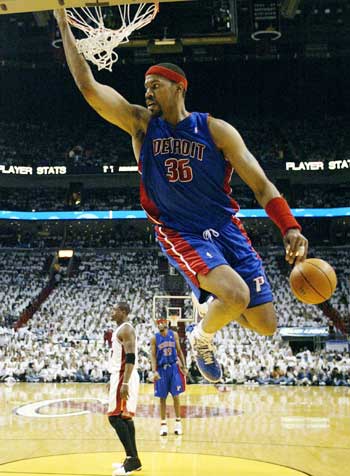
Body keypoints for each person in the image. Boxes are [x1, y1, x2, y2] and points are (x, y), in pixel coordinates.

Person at [54, 9, 309, 384]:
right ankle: (201, 338)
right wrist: (63, 25)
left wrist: (289, 227)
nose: (148, 92)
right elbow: (90, 89)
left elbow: (262, 184)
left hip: (225, 227)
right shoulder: (142, 125)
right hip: (179, 231)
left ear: (179, 87)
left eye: (155, 85)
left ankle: (207, 303)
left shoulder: (216, 130)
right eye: (146, 87)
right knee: (235, 295)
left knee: (266, 324)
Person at [107, 302, 141, 476]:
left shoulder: (126, 329)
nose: (112, 312)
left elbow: (130, 357)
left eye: (115, 310)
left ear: (123, 312)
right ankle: (133, 460)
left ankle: (131, 459)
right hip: (119, 375)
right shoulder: (121, 329)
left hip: (124, 375)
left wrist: (125, 382)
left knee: (114, 417)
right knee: (125, 418)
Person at [150, 318, 187, 436]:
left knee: (176, 396)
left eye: (162, 322)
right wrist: (154, 371)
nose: (160, 324)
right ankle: (163, 424)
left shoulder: (174, 334)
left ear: (166, 323)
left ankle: (178, 423)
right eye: (158, 323)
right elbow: (153, 356)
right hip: (161, 369)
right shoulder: (154, 338)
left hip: (173, 367)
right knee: (162, 398)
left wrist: (184, 366)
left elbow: (179, 351)